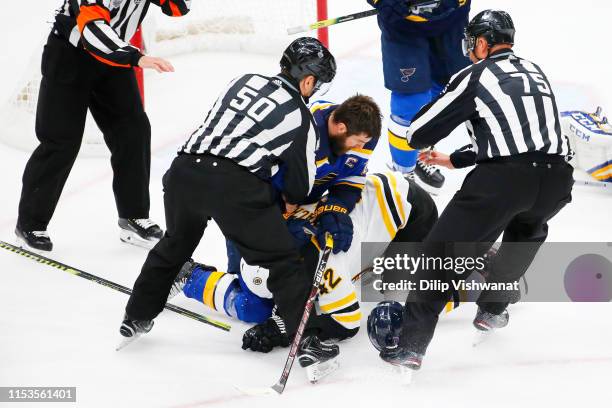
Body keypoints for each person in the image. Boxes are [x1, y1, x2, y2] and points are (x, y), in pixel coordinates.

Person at [376, 9, 574, 372]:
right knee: (526, 231)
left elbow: (417, 133)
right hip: (557, 179)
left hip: (504, 183)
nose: (469, 51)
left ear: (482, 43)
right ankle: (492, 311)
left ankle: (410, 346)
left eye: (472, 44)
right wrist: (458, 159)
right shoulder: (535, 71)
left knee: (440, 256)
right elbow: (527, 137)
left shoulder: (475, 74)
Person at [120, 38, 337, 357]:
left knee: (175, 245)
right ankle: (309, 341)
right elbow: (299, 189)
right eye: (316, 83)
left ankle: (136, 315)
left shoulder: (243, 80)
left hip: (183, 172)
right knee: (283, 262)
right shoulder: (302, 119)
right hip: (234, 186)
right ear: (307, 80)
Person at [169, 172, 437, 381]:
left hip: (408, 211)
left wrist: (283, 328)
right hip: (342, 233)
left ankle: (476, 286)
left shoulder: (326, 260)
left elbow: (347, 321)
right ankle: (187, 274)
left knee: (413, 293)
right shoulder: (255, 263)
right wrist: (281, 320)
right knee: (252, 307)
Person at [15, 0, 190, 252]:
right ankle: (29, 224)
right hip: (70, 54)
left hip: (113, 60)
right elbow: (93, 30)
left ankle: (133, 216)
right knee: (61, 142)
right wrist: (136, 58)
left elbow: (177, 7)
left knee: (134, 131)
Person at [367, 0, 471, 194]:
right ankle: (403, 173)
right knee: (411, 101)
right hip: (404, 26)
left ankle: (420, 152)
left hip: (451, 21)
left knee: (447, 92)